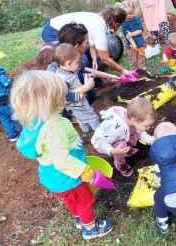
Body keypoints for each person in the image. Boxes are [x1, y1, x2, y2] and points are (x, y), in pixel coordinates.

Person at [11, 70, 114, 240]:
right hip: (68, 176)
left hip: (51, 176)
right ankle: (90, 229)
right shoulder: (55, 127)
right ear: (47, 102)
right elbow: (62, 161)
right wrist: (85, 171)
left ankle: (79, 219)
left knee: (71, 199)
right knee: (85, 200)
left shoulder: (34, 120)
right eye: (60, 95)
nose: (65, 97)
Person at [41, 7, 133, 76]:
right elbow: (105, 58)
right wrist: (123, 71)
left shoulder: (99, 20)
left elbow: (90, 42)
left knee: (86, 56)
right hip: (53, 30)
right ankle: (74, 84)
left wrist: (94, 59)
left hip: (62, 28)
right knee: (74, 58)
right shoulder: (98, 28)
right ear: (117, 23)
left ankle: (97, 82)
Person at [91, 97, 156, 177]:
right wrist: (113, 151)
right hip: (102, 144)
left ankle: (128, 150)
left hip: (118, 136)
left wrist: (150, 140)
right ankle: (120, 163)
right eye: (146, 125)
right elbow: (102, 143)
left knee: (135, 134)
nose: (148, 128)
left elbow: (140, 132)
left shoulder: (133, 120)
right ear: (133, 120)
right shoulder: (117, 128)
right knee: (121, 145)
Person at [54, 43, 100, 137]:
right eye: (77, 62)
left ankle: (86, 131)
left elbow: (74, 78)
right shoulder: (63, 79)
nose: (79, 64)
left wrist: (84, 75)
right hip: (77, 104)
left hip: (76, 106)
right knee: (91, 116)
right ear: (69, 63)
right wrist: (78, 96)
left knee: (81, 118)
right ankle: (99, 132)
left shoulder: (66, 71)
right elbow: (64, 96)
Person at [117, 1, 147, 71]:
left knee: (141, 58)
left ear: (133, 11)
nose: (128, 16)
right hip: (131, 46)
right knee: (133, 60)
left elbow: (140, 31)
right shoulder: (123, 23)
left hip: (140, 43)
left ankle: (143, 70)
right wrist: (133, 44)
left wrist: (131, 34)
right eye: (126, 14)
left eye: (130, 13)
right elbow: (128, 36)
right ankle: (133, 71)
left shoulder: (137, 20)